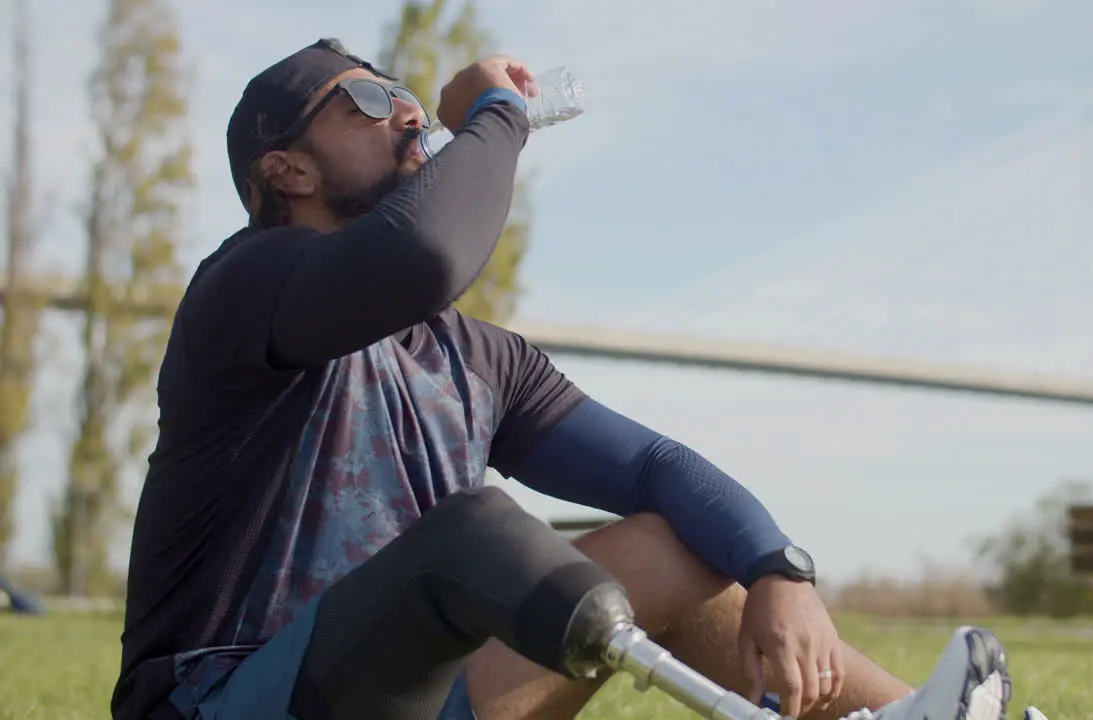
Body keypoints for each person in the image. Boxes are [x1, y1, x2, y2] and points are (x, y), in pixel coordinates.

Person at [111, 38, 1044, 720]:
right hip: (224, 700)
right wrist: (499, 114)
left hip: (419, 694)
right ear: (287, 170)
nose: (406, 112)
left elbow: (657, 467)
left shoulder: (474, 359)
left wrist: (777, 565)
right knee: (476, 533)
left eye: (405, 94)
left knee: (676, 543)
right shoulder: (243, 287)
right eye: (366, 100)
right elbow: (426, 252)